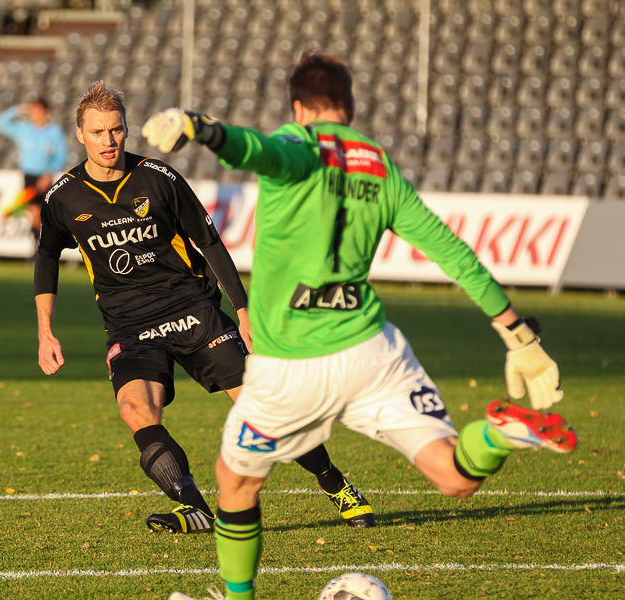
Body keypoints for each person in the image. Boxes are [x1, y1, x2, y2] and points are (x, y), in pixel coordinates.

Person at [142, 48, 576, 599]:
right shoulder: (379, 163)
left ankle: (238, 598)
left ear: (299, 108)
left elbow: (258, 150)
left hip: (291, 363)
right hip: (373, 352)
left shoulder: (297, 146)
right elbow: (451, 250)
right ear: (348, 105)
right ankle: (497, 433)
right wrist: (518, 335)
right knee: (452, 475)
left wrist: (199, 127)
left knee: (235, 483)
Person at [34, 80, 376, 535]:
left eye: (116, 130)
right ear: (80, 134)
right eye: (98, 132)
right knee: (136, 411)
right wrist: (45, 330)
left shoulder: (160, 178)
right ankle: (193, 506)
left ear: (126, 129)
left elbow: (209, 241)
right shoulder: (63, 197)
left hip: (192, 310)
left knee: (263, 410)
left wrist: (244, 310)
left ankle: (335, 484)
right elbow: (46, 259)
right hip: (130, 326)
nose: (108, 141)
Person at [0, 97, 69, 239]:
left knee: (43, 214)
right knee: (34, 212)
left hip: (46, 176)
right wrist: (18, 109)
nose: (34, 114)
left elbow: (61, 155)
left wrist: (50, 173)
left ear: (46, 112)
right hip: (29, 176)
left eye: (37, 110)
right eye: (32, 110)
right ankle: (38, 250)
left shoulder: (54, 131)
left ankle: (43, 249)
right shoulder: (24, 129)